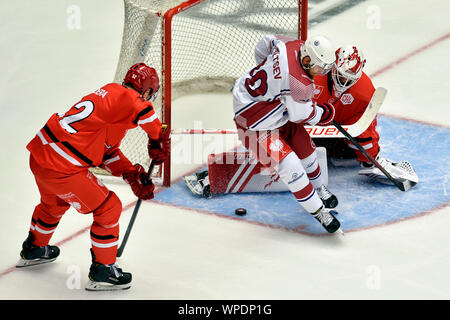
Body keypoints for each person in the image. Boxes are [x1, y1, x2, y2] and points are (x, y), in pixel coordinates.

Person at [185, 45, 418, 199]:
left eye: (349, 79)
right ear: (332, 66)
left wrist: (371, 158)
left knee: (325, 156)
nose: (342, 81)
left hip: (332, 137)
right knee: (277, 150)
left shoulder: (364, 93)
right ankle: (214, 175)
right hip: (296, 125)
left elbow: (364, 127)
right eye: (340, 74)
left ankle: (327, 158)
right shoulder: (314, 72)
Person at [17, 63, 170, 291]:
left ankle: (34, 249)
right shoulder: (127, 97)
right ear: (146, 91)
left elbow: (106, 153)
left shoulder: (109, 103)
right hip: (62, 167)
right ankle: (103, 270)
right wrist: (159, 136)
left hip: (41, 154)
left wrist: (130, 174)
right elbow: (144, 111)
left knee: (54, 203)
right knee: (109, 208)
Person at [222, 34, 342, 234]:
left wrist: (272, 75)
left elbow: (264, 43)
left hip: (266, 103)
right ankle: (319, 211)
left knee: (305, 147)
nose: (321, 73)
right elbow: (300, 115)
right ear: (307, 60)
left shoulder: (292, 44)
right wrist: (324, 113)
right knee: (291, 166)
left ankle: (319, 188)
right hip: (252, 124)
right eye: (320, 68)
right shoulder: (299, 83)